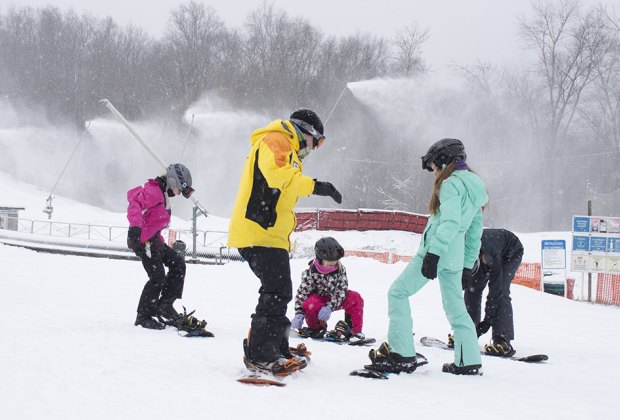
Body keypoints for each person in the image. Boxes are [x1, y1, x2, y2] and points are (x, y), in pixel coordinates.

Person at [228, 109, 343, 377]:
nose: (315, 148)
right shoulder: (277, 140)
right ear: (307, 133)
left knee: (281, 291)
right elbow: (279, 176)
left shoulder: (288, 150)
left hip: (271, 236)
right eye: (318, 141)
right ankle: (260, 353)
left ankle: (276, 348)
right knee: (276, 290)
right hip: (258, 232)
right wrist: (318, 186)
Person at [367, 138, 489, 376]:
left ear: (444, 161)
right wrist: (466, 264)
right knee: (455, 308)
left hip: (437, 249)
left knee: (398, 292)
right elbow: (475, 231)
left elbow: (451, 221)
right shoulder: (475, 187)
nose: (434, 171)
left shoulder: (450, 184)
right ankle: (468, 360)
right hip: (454, 256)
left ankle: (402, 353)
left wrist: (433, 253)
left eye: (434, 166)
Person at [126, 163, 195, 330]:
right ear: (173, 182)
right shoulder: (154, 191)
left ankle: (165, 305)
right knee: (157, 277)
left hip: (155, 241)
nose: (178, 194)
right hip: (143, 242)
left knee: (178, 263)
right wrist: (135, 228)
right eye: (179, 189)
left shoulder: (162, 194)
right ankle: (143, 316)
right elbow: (135, 203)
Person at [462, 228, 524, 357]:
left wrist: (487, 322)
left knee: (501, 290)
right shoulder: (464, 249)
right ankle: (468, 331)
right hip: (486, 250)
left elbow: (495, 293)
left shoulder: (491, 255)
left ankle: (502, 339)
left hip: (510, 252)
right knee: (472, 289)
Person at [292, 237, 365, 341]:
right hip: (318, 300)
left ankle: (354, 331)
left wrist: (330, 307)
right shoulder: (309, 273)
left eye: (335, 261)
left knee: (355, 297)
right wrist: (299, 313)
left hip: (334, 299)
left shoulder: (340, 269)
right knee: (310, 303)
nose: (333, 264)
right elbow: (302, 294)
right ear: (320, 258)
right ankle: (316, 328)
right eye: (329, 261)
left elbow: (341, 290)